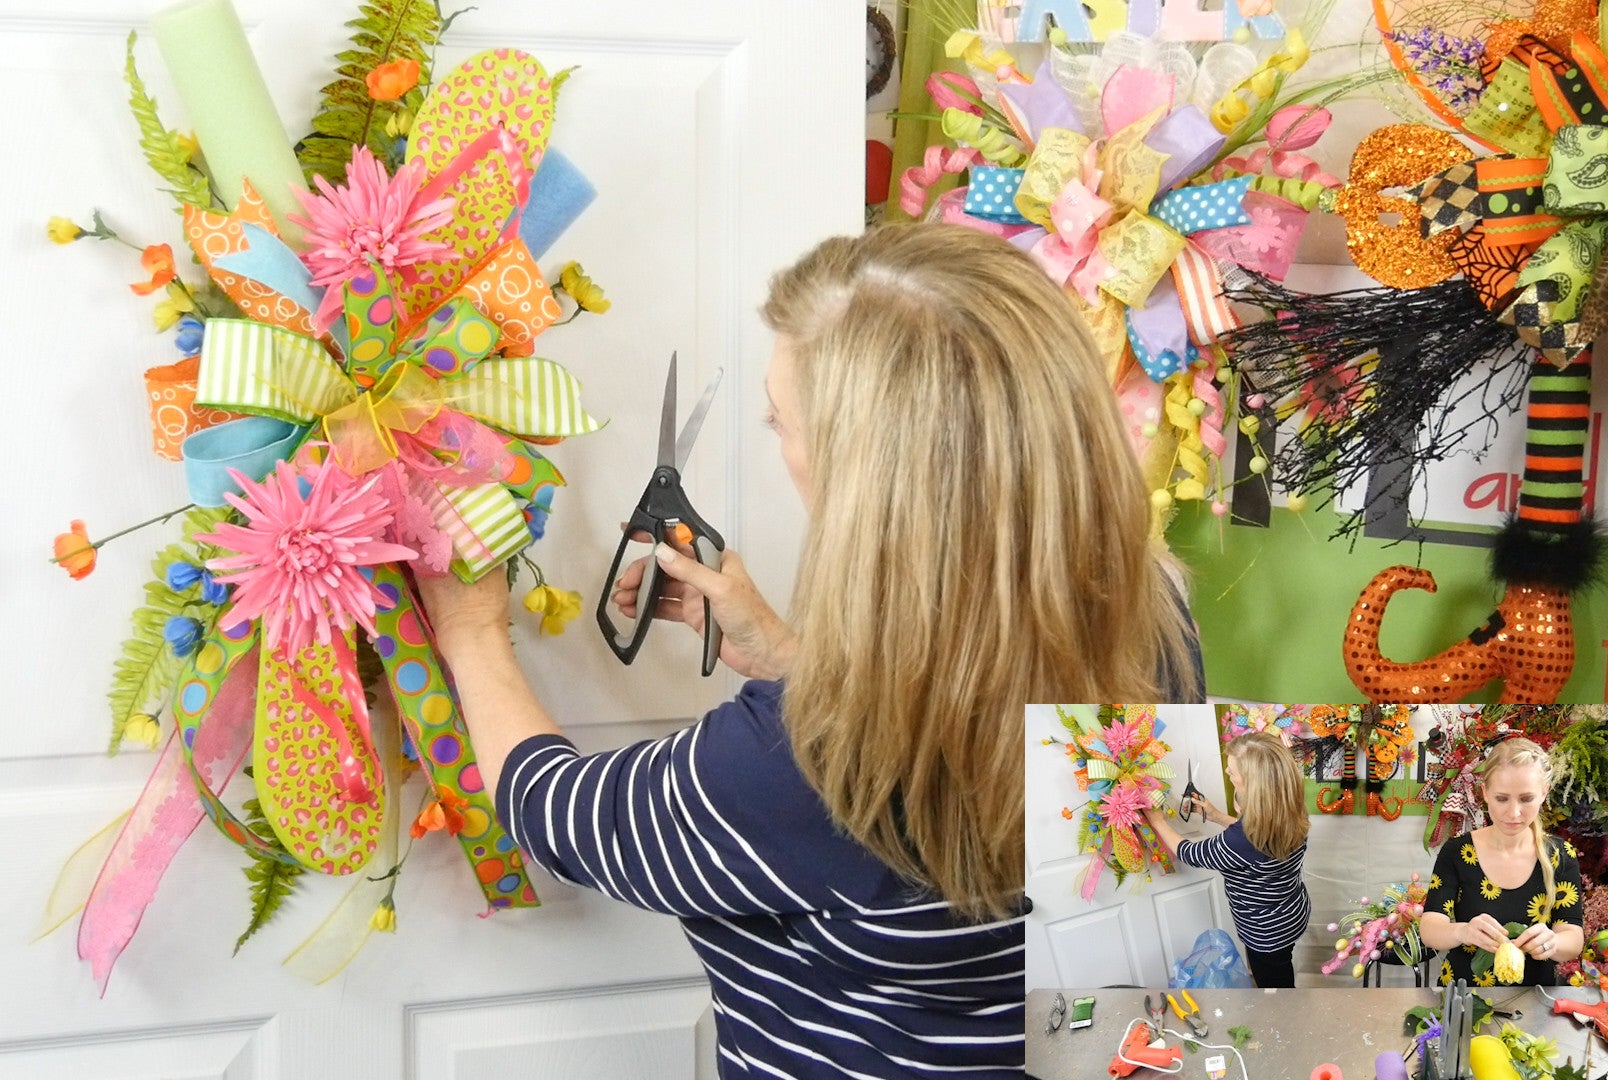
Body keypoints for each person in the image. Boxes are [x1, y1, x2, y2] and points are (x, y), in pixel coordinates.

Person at [413, 224, 1197, 1077]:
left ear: (863, 477)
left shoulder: (787, 764)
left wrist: (471, 630)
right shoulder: (1154, 622)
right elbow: (968, 743)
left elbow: (559, 812)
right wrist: (794, 660)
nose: (776, 443)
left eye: (777, 420)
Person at [1144, 733, 1311, 988]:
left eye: (1231, 771)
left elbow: (1191, 853)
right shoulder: (1291, 812)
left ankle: (1284, 1010)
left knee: (1276, 989)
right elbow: (1258, 843)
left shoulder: (1240, 839)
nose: (1226, 771)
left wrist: (1157, 821)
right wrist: (1218, 816)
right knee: (1280, 966)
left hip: (1265, 933)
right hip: (1291, 912)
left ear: (1252, 783)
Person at [1418, 737, 1584, 987]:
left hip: (1534, 997)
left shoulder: (1560, 855)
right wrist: (1463, 931)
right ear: (1485, 792)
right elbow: (1430, 929)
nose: (1514, 813)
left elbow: (1573, 937)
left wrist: (1552, 942)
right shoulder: (1457, 852)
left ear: (1544, 792)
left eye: (1526, 799)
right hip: (1463, 996)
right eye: (1502, 798)